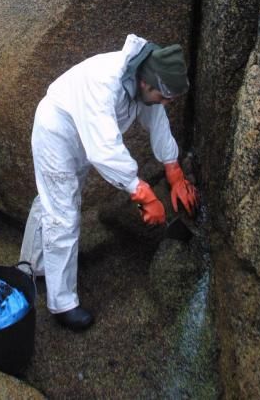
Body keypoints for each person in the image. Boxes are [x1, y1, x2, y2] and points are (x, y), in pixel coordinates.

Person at [20, 34, 199, 331]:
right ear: (146, 83)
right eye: (164, 97)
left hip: (80, 139)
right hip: (57, 134)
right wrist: (142, 193)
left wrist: (175, 172)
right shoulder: (105, 82)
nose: (165, 104)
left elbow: (159, 124)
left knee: (54, 201)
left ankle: (35, 265)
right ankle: (62, 304)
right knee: (62, 215)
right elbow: (104, 148)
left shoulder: (145, 80)